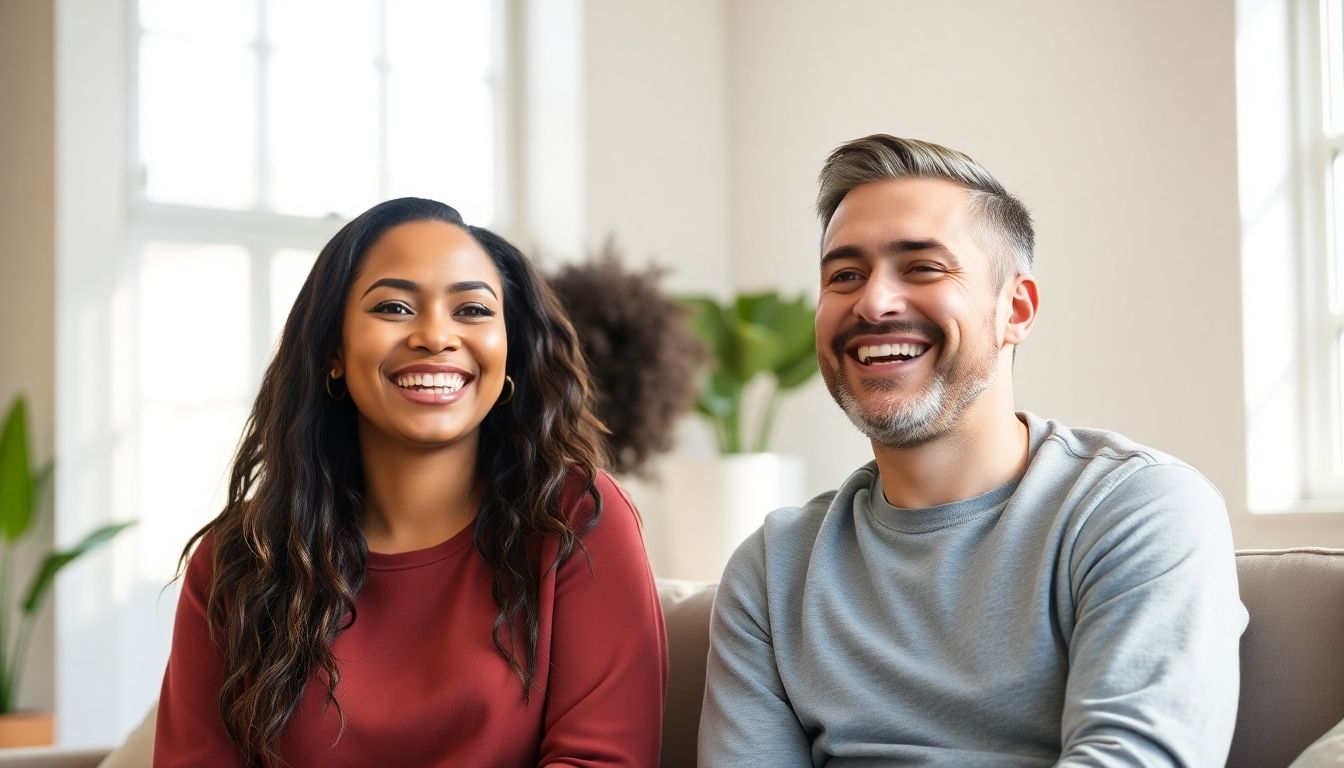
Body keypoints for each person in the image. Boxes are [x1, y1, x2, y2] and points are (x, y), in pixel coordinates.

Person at [698, 135, 1247, 767]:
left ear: (1017, 308)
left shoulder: (1137, 509)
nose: (873, 302)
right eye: (845, 275)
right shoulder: (774, 569)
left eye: (923, 267)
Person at [155, 197, 668, 767]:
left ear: (509, 351)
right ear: (333, 351)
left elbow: (603, 760)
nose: (435, 336)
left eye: (472, 309)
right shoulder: (238, 557)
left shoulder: (574, 518)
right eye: (394, 307)